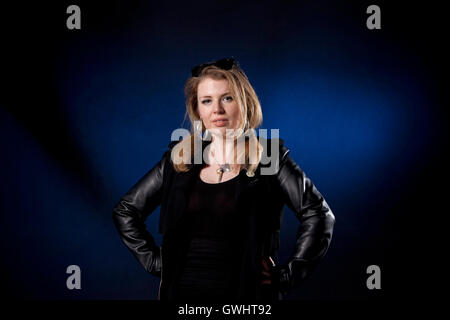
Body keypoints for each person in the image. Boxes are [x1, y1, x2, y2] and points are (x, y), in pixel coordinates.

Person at [112, 57, 335, 302]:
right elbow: (126, 210)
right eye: (206, 101)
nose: (217, 110)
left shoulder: (270, 158)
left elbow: (318, 213)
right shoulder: (179, 159)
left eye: (227, 98)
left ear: (245, 103)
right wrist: (156, 262)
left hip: (247, 297)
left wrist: (286, 276)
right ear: (197, 110)